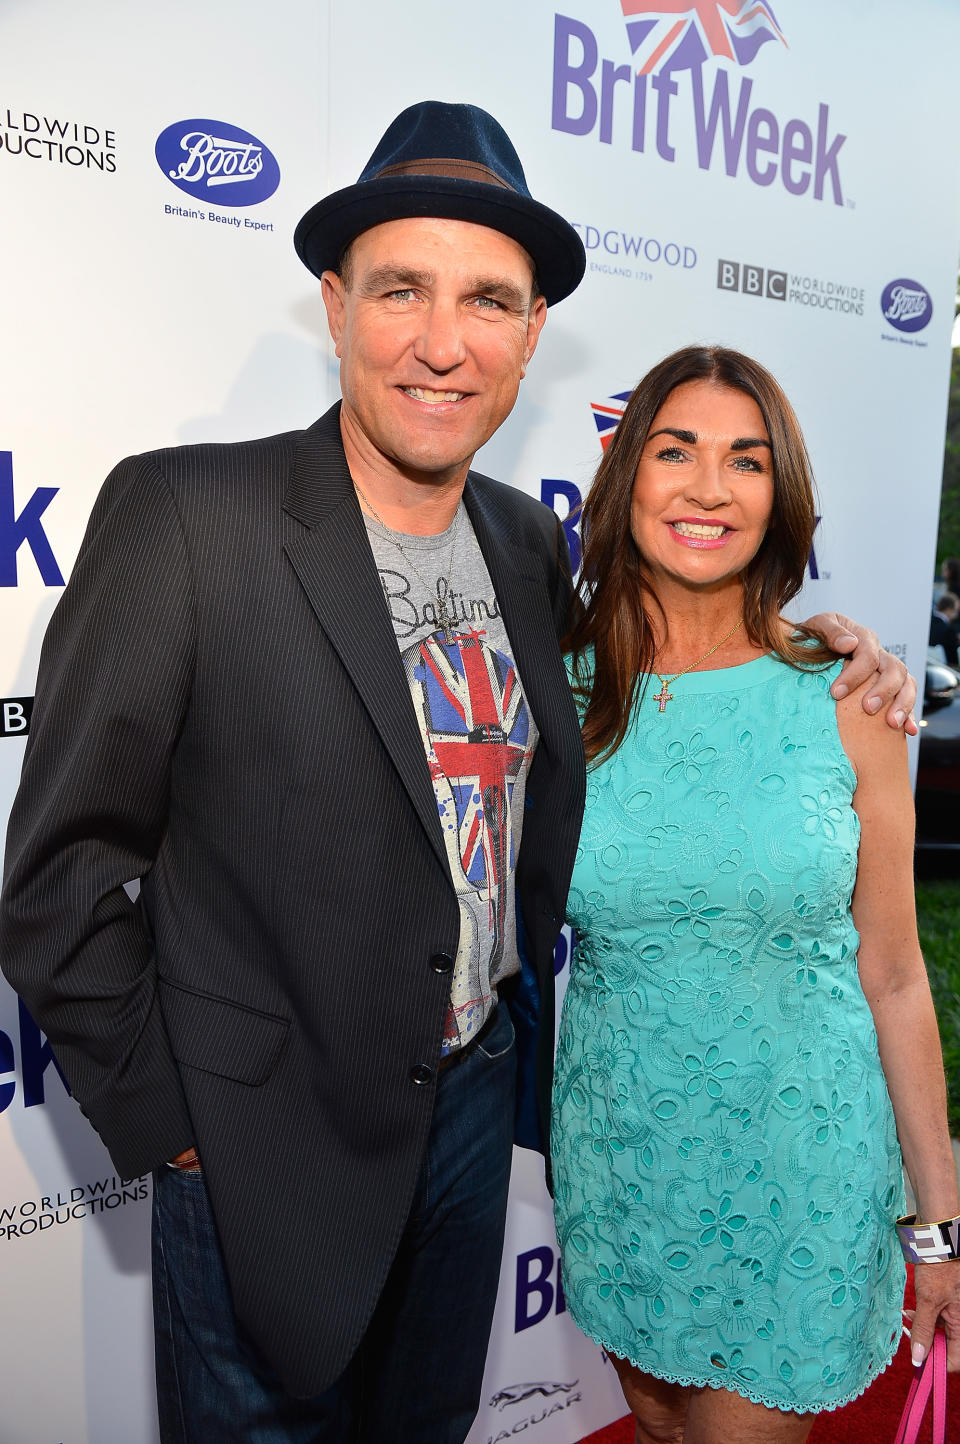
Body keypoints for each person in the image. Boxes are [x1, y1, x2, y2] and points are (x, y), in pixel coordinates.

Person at [0, 104, 913, 1443]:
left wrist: (836, 652)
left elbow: (659, 684)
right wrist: (173, 1130)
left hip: (475, 1115)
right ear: (335, 303)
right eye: (403, 291)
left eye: (489, 299)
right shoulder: (189, 517)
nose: (445, 341)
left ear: (534, 332)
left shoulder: (521, 543)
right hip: (264, 1147)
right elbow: (59, 872)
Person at [551, 346, 960, 1444]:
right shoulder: (563, 693)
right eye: (676, 450)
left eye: (746, 460)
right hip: (624, 1160)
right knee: (658, 1425)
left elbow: (896, 971)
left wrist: (940, 1223)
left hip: (798, 1174)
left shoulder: (845, 694)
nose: (708, 487)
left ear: (780, 499)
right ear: (627, 475)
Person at [930, 590, 960, 667]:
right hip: (945, 671)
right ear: (949, 609)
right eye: (956, 611)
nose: (957, 615)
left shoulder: (927, 624)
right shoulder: (949, 631)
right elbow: (954, 661)